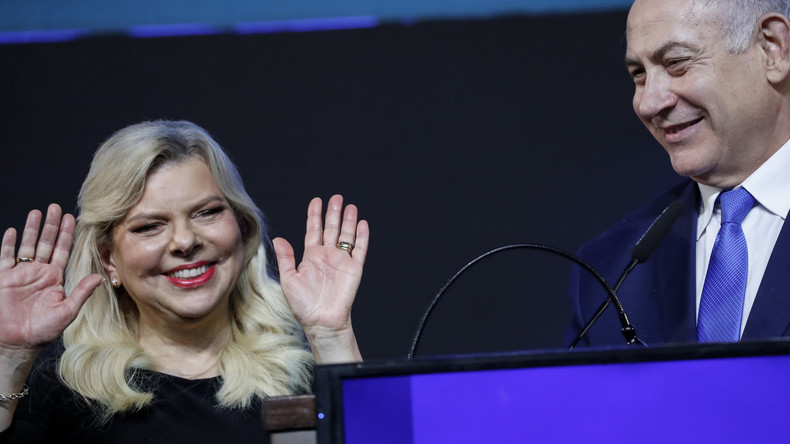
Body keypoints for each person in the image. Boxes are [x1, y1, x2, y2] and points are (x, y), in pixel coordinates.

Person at [0, 120, 369, 442]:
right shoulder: (61, 393)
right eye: (150, 226)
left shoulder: (303, 379)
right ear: (110, 259)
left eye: (207, 212)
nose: (185, 241)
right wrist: (9, 357)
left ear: (243, 229)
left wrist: (330, 336)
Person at [567, 0, 790, 347]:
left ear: (773, 48)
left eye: (676, 63)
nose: (648, 103)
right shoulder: (610, 270)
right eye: (638, 74)